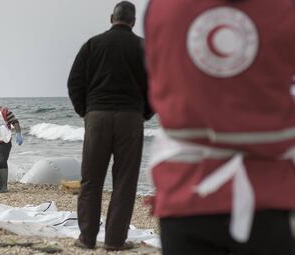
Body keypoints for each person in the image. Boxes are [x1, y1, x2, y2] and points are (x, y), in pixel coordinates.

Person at [144, 1, 295, 254]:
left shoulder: (162, 7)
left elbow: (159, 80)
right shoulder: (283, 8)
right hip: (269, 193)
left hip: (184, 190)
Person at [67, 1, 153, 251]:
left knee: (91, 180)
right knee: (125, 182)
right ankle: (114, 241)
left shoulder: (92, 45)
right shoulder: (144, 48)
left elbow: (74, 83)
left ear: (111, 18)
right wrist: (144, 114)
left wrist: (86, 111)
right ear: (134, 21)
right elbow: (158, 86)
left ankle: (87, 238)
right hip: (130, 118)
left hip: (97, 116)